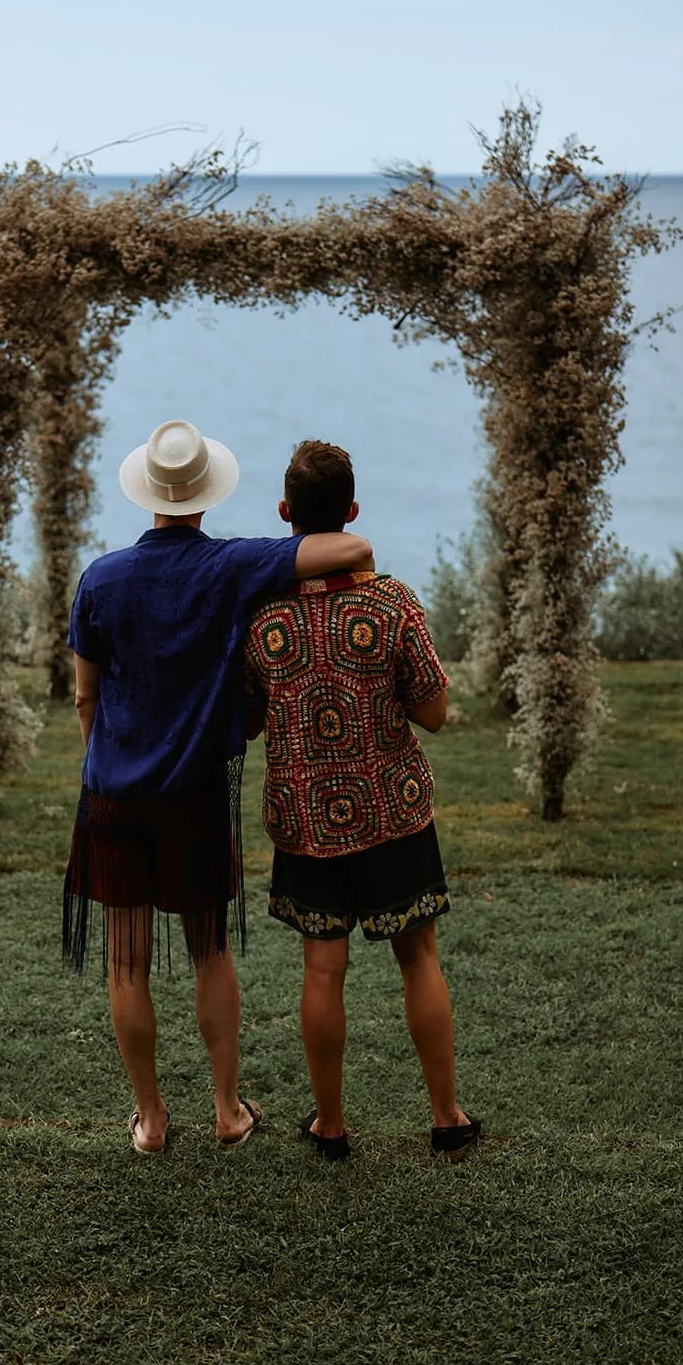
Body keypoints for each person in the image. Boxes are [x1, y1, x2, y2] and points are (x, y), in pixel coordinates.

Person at [63, 419, 374, 1154]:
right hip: (193, 792)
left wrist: (105, 762)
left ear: (147, 495)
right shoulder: (230, 565)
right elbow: (351, 547)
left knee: (125, 960)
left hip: (113, 793)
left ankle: (151, 1120)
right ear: (206, 496)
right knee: (208, 954)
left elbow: (84, 697)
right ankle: (227, 1110)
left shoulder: (100, 578)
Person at [243, 439, 480, 1161]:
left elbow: (249, 718)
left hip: (306, 818)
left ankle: (331, 1125)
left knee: (322, 968)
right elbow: (435, 713)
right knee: (419, 958)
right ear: (350, 513)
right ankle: (444, 1117)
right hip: (392, 812)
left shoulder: (261, 614)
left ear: (284, 512)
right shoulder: (390, 602)